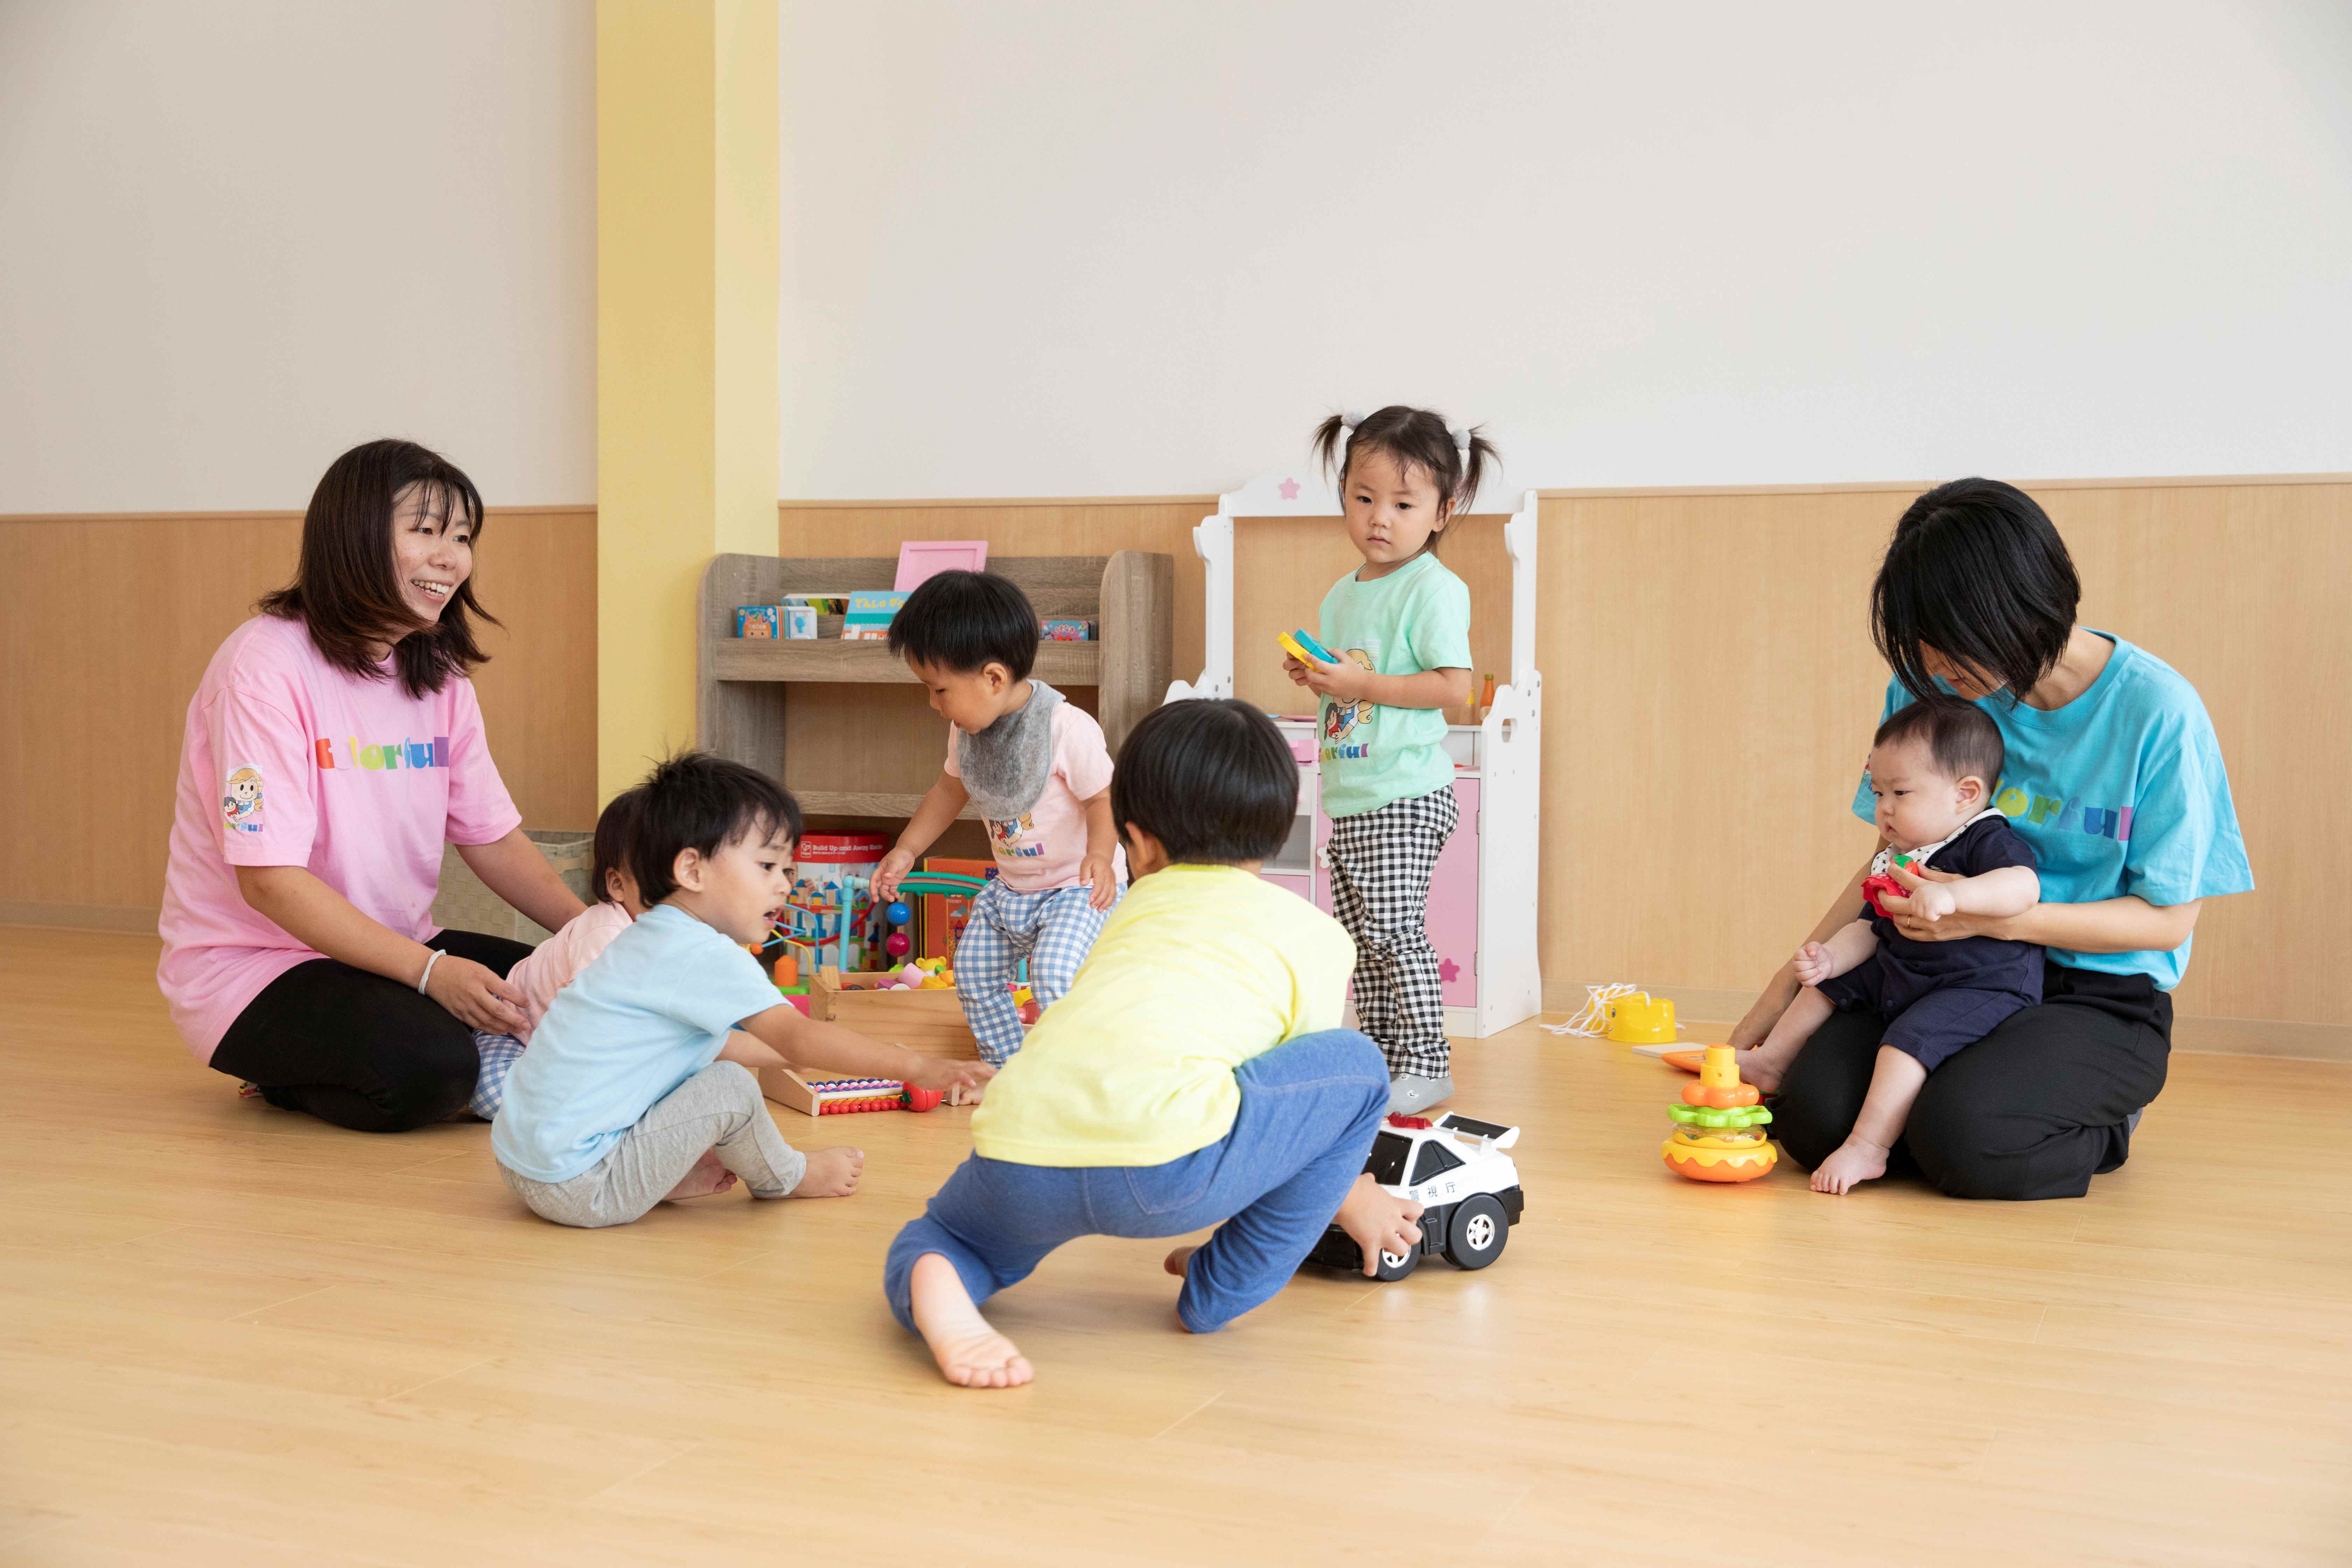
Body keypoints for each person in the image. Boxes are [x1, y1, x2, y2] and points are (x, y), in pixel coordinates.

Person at [1731, 478, 2254, 1200]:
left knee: (1966, 1138)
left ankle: (2096, 1118)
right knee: (1811, 1118)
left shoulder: (2158, 711)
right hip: (1933, 968)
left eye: (1947, 645)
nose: (1931, 669)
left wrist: (1993, 918)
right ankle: (1942, 1107)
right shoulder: (1935, 693)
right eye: (1921, 647)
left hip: (2095, 992)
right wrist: (1774, 1002)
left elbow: (2167, 921)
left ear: (2016, 608)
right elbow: (1887, 862)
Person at [884, 699, 1426, 1390]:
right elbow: (1309, 1116)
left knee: (944, 1236)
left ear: (1136, 845)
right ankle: (1222, 1283)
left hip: (1020, 1145)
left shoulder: (1126, 911)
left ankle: (939, 1279)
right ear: (1279, 826)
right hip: (1166, 1173)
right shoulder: (1316, 935)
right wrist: (1350, 1196)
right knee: (1358, 1070)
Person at [158, 439, 589, 1132]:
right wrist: (431, 974)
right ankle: (281, 1077)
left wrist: (596, 935)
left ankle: (442, 1031)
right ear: (354, 534)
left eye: (462, 537)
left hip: (395, 947)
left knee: (582, 994)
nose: (451, 558)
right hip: (256, 969)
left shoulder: (437, 671)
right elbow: (269, 881)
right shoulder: (262, 669)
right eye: (426, 531)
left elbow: (493, 838)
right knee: (431, 1069)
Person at [492, 752, 992, 1230]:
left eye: (788, 869)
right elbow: (797, 1037)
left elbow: (714, 1045)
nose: (785, 885)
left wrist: (788, 1057)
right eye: (767, 866)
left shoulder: (645, 936)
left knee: (698, 1070)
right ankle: (787, 1176)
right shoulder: (703, 953)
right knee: (730, 1088)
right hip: (582, 1184)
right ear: (692, 870)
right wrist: (917, 1067)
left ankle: (664, 1177)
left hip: (524, 1162)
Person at [1284, 406, 1496, 1113]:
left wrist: (1358, 683)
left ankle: (1428, 1062)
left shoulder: (1433, 587)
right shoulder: (1343, 593)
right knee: (1362, 938)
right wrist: (1319, 677)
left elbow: (1453, 687)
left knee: (1395, 931)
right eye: (1364, 497)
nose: (1380, 518)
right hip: (1355, 792)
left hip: (1405, 791)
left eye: (1404, 505)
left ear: (1443, 511)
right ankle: (1379, 1056)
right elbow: (1358, 687)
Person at [1738, 702, 2042, 1194]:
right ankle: (1772, 1060)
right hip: (1907, 967)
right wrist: (1830, 957)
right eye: (1878, 792)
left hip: (1978, 983)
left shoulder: (1986, 837)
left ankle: (1869, 1146)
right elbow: (1871, 926)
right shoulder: (1900, 852)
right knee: (1829, 984)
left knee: (1907, 1041)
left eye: (1900, 793)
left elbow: (2023, 888)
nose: (1883, 808)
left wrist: (1955, 896)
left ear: (1965, 794)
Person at [871, 570, 1120, 1064]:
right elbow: (949, 791)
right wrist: (906, 849)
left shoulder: (1066, 728)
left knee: (1054, 975)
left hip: (1077, 888)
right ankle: (1008, 1071)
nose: (933, 704)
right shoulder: (968, 732)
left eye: (940, 690)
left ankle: (1078, 1073)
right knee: (974, 976)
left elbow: (1103, 798)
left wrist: (1100, 854)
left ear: (993, 678)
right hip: (1012, 890)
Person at [464, 788, 646, 1121]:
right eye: (666, 886)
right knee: (492, 1095)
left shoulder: (683, 936)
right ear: (618, 885)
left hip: (578, 1051)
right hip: (516, 1033)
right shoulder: (606, 936)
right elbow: (591, 1025)